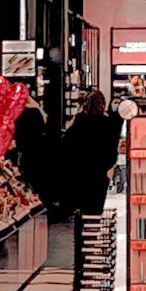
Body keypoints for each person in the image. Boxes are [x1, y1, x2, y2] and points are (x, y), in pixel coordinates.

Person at [59, 89, 123, 217]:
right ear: (103, 105)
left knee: (76, 214)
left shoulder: (79, 121)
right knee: (93, 214)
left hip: (78, 174)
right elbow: (111, 153)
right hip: (98, 176)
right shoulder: (108, 124)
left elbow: (66, 147)